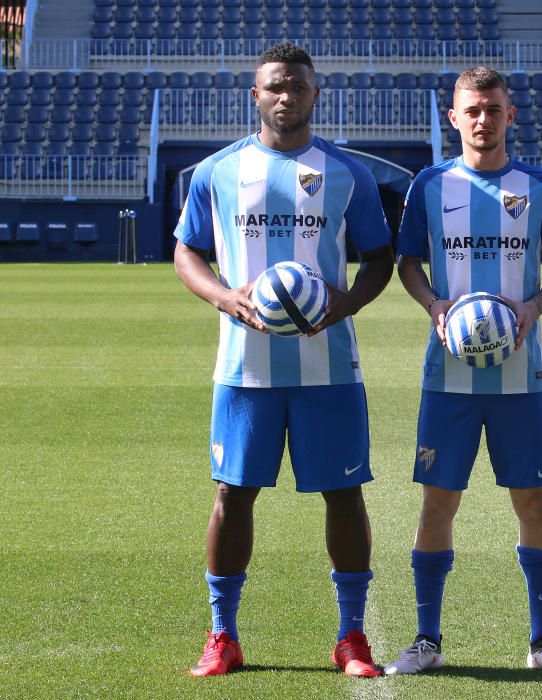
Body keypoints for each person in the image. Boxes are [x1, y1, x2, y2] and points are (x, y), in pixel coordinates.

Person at [173, 43, 394, 678]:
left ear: (314, 94)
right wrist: (225, 297)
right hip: (245, 368)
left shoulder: (347, 174)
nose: (286, 96)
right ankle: (222, 635)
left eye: (297, 86)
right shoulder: (217, 172)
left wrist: (347, 303)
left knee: (344, 494)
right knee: (232, 494)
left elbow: (379, 257)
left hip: (329, 367)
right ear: (256, 95)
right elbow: (187, 251)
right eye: (275, 86)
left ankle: (352, 636)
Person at [385, 66, 542, 677]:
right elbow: (408, 263)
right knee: (437, 502)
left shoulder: (540, 186)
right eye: (471, 110)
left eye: (493, 109)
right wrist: (434, 304)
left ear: (510, 115)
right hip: (448, 378)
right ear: (454, 117)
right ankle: (426, 640)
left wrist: (531, 307)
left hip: (521, 378)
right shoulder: (430, 184)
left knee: (533, 501)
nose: (482, 119)